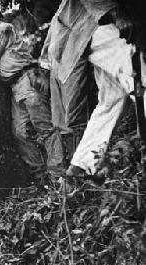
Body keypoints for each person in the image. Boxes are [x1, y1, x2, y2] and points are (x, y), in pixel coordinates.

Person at [41, 0, 146, 180]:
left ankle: (79, 167)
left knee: (112, 98)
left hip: (90, 29)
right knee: (140, 79)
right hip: (93, 25)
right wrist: (117, 14)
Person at [0, 21, 65, 186]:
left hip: (27, 79)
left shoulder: (2, 28)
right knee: (20, 133)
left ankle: (59, 177)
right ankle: (42, 180)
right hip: (17, 86)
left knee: (45, 129)